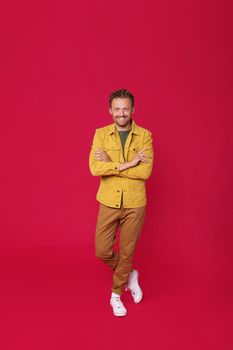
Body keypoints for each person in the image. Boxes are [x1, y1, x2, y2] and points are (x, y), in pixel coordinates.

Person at [89, 88, 154, 316]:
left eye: (125, 108)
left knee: (126, 252)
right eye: (117, 109)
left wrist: (113, 165)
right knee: (102, 249)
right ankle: (130, 274)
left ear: (133, 110)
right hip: (108, 201)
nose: (121, 113)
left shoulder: (145, 135)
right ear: (110, 111)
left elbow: (145, 171)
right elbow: (94, 168)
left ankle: (116, 295)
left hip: (135, 203)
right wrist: (128, 163)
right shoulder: (100, 134)